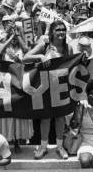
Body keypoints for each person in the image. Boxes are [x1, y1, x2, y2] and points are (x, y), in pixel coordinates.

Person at [25, 20, 71, 159]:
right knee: (45, 117)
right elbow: (25, 58)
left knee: (60, 117)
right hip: (45, 87)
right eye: (58, 30)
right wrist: (40, 56)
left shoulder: (69, 47)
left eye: (63, 29)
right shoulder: (44, 45)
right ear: (51, 32)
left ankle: (59, 147)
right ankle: (43, 147)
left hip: (62, 86)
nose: (61, 32)